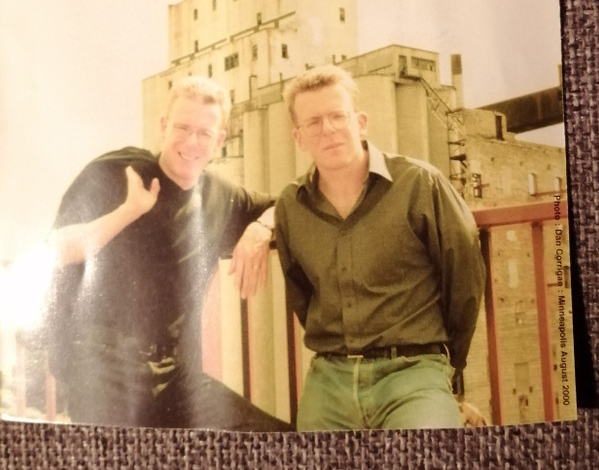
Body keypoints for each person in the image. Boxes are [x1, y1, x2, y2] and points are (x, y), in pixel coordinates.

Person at [45, 75, 290, 431]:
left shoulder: (221, 195)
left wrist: (260, 228)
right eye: (182, 127)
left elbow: (290, 204)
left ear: (220, 140)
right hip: (100, 363)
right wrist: (129, 210)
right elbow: (56, 250)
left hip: (170, 373)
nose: (191, 142)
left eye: (204, 133)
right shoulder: (120, 170)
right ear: (164, 126)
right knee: (124, 455)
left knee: (274, 440)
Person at [274, 64, 486, 430]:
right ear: (299, 138)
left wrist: (449, 373)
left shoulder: (420, 184)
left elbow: (464, 283)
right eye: (313, 122)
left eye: (337, 116)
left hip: (413, 373)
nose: (328, 130)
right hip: (330, 380)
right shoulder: (291, 206)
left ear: (361, 122)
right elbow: (302, 296)